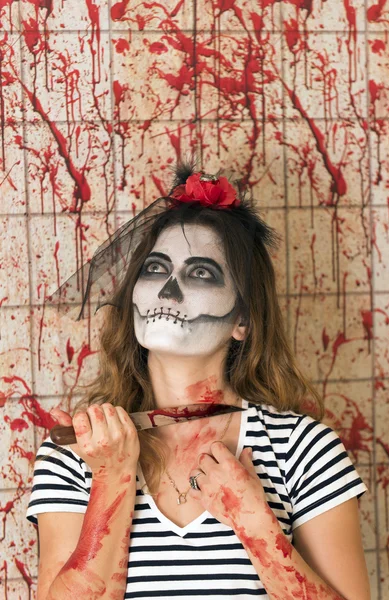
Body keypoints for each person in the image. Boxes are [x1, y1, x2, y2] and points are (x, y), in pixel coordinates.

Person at [26, 163, 371, 600]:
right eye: (155, 269)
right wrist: (111, 479)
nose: (167, 290)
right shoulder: (78, 452)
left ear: (243, 320)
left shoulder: (304, 450)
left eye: (201, 273)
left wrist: (256, 524)